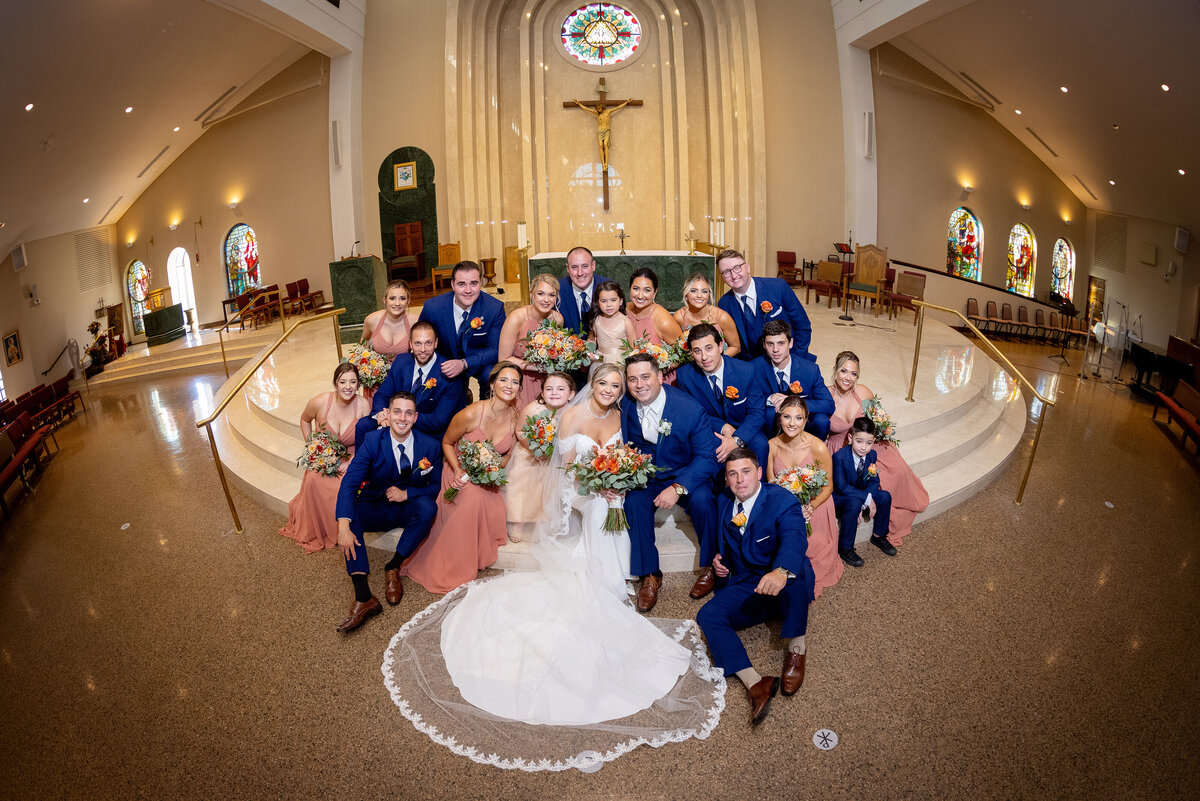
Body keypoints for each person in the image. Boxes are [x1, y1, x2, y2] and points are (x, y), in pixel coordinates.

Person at [379, 366, 723, 771]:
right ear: (591, 388)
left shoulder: (624, 413)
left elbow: (631, 453)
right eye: (605, 384)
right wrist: (598, 481)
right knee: (600, 508)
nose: (612, 390)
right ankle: (611, 578)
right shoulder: (572, 416)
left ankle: (622, 571)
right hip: (580, 485)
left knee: (617, 503)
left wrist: (618, 479)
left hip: (613, 482)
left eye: (617, 385)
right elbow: (566, 467)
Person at [696, 448, 815, 725]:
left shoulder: (782, 501)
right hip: (747, 580)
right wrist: (719, 559)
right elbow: (727, 538)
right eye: (732, 474)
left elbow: (795, 538)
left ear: (760, 473)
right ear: (726, 479)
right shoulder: (725, 500)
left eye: (746, 471)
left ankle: (798, 648)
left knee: (796, 580)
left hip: (782, 574)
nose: (740, 480)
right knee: (707, 616)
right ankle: (756, 683)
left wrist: (781, 571)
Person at [400, 362, 522, 593]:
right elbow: (446, 442)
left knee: (487, 500)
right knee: (472, 500)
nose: (509, 386)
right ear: (492, 384)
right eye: (504, 380)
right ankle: (454, 564)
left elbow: (506, 455)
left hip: (486, 477)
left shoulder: (517, 418)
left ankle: (472, 552)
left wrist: (492, 472)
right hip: (457, 469)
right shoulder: (471, 413)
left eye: (515, 382)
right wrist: (457, 469)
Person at [333, 391, 443, 632]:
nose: (402, 418)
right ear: (388, 415)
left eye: (408, 412)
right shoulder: (373, 441)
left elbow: (435, 486)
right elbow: (350, 482)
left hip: (407, 508)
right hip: (376, 505)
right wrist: (342, 526)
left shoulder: (431, 445)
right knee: (350, 517)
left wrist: (408, 494)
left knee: (428, 507)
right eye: (397, 411)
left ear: (415, 417)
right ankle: (364, 598)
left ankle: (393, 565)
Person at [674, 323, 768, 600]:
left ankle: (756, 504)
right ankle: (713, 564)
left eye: (709, 348)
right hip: (709, 433)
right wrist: (725, 430)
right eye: (697, 351)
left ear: (721, 347)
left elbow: (756, 411)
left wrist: (736, 438)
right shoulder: (686, 375)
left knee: (761, 442)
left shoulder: (747, 370)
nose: (704, 356)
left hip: (744, 433)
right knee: (708, 494)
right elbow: (695, 412)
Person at [620, 353, 719, 613]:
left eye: (645, 377)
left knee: (704, 501)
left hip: (686, 472)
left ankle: (711, 565)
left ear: (660, 377)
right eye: (632, 379)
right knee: (633, 502)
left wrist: (677, 488)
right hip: (650, 475)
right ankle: (650, 574)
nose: (639, 385)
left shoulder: (689, 408)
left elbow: (707, 457)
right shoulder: (628, 405)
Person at [827, 350, 930, 547]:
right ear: (835, 371)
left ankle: (886, 512)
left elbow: (878, 418)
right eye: (844, 371)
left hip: (866, 444)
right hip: (839, 447)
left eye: (854, 374)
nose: (848, 378)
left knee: (896, 471)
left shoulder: (864, 392)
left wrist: (882, 430)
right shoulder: (825, 394)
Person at [279, 363, 371, 553]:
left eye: (353, 382)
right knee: (313, 479)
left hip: (353, 456)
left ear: (358, 384)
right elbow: (305, 419)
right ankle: (319, 527)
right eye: (343, 381)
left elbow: (368, 439)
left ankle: (340, 530)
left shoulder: (363, 405)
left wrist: (353, 461)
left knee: (344, 485)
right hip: (325, 457)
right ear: (335, 383)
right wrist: (312, 446)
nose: (348, 386)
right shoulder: (319, 402)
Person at [767, 396, 843, 598]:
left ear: (806, 419)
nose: (792, 423)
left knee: (810, 553)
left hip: (815, 504)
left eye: (798, 418)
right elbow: (771, 485)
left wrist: (810, 507)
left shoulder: (817, 446)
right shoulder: (772, 446)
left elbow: (828, 485)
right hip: (784, 506)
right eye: (787, 417)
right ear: (779, 418)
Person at [354, 320, 466, 448]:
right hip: (393, 419)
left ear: (436, 343)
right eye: (418, 343)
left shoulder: (449, 374)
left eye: (428, 343)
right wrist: (382, 415)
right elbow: (383, 394)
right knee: (363, 426)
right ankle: (362, 467)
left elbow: (438, 420)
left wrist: (401, 418)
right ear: (410, 344)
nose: (423, 350)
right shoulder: (401, 361)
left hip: (424, 429)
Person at [416, 260, 506, 399]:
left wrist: (464, 364)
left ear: (480, 283)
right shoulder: (433, 307)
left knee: (492, 375)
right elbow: (421, 339)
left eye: (473, 283)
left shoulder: (494, 308)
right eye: (461, 284)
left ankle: (486, 414)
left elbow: (495, 349)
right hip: (446, 360)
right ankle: (462, 397)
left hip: (478, 361)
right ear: (452, 284)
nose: (468, 290)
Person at [504, 371, 576, 541]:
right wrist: (534, 449)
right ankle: (517, 521)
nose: (554, 393)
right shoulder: (534, 408)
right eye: (549, 389)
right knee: (521, 476)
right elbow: (520, 430)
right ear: (542, 392)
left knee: (549, 483)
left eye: (560, 389)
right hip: (530, 452)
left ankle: (540, 521)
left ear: (571, 394)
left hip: (557, 457)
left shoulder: (573, 413)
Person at [715, 248, 813, 361]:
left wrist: (795, 361)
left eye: (737, 268)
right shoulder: (724, 303)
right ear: (722, 278)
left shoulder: (778, 287)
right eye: (727, 272)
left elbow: (803, 327)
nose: (734, 275)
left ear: (747, 267)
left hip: (787, 359)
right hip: (750, 367)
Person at [830, 416, 895, 567]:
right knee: (853, 502)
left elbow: (874, 481)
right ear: (851, 438)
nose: (863, 447)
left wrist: (868, 498)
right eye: (859, 441)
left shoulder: (872, 455)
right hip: (843, 498)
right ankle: (845, 548)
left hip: (861, 494)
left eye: (869, 443)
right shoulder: (839, 457)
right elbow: (842, 487)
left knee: (885, 496)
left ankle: (879, 536)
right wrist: (865, 499)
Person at [754, 320, 834, 440]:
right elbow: (747, 403)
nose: (776, 349)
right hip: (771, 426)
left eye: (781, 343)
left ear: (790, 343)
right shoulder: (754, 368)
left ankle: (812, 454)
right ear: (764, 344)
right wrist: (770, 399)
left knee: (821, 420)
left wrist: (795, 403)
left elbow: (829, 404)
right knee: (769, 414)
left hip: (802, 425)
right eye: (770, 344)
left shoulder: (809, 369)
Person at [497, 273, 565, 409]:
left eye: (551, 295)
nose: (546, 300)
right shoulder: (516, 318)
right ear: (532, 294)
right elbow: (503, 359)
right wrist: (538, 367)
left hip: (547, 380)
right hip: (521, 379)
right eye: (541, 294)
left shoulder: (557, 319)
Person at [672, 272, 742, 359]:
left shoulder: (722, 317)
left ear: (709, 295)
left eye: (704, 291)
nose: (699, 296)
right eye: (693, 291)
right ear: (686, 294)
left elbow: (736, 347)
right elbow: (676, 349)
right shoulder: (679, 317)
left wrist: (715, 361)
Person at [557, 246, 612, 337]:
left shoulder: (609, 289)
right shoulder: (557, 290)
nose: (580, 273)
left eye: (585, 266)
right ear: (567, 268)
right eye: (574, 267)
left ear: (593, 266)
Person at [627, 267, 684, 347]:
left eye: (647, 290)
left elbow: (683, 354)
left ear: (655, 293)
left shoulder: (664, 322)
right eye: (636, 289)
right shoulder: (624, 309)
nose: (640, 296)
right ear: (630, 289)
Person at [360, 279, 414, 359]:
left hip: (404, 370)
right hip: (378, 370)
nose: (397, 303)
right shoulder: (372, 320)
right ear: (384, 300)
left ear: (408, 301)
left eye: (402, 298)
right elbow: (363, 342)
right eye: (392, 298)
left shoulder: (414, 322)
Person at [588, 280, 638, 364]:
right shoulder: (596, 320)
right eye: (604, 301)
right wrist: (590, 350)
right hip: (599, 361)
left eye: (613, 300)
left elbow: (633, 347)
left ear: (620, 301)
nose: (609, 305)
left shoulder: (626, 322)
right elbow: (592, 339)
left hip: (619, 363)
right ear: (597, 302)